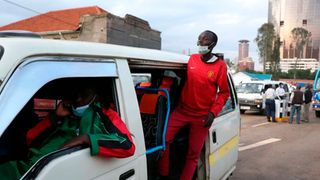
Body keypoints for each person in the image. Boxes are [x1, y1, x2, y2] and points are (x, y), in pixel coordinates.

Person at [0, 85, 135, 179]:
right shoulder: (66, 115)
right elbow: (30, 139)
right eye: (76, 94)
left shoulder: (105, 115)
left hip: (56, 171)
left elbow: (127, 145)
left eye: (85, 95)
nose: (78, 99)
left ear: (96, 96)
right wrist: (54, 116)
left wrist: (85, 139)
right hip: (29, 168)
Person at [158, 30, 230, 180]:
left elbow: (224, 93)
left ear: (212, 44)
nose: (200, 42)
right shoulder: (192, 59)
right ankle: (163, 174)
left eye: (204, 40)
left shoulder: (220, 66)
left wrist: (212, 113)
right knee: (164, 139)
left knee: (193, 154)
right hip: (182, 111)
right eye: (199, 39)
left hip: (202, 117)